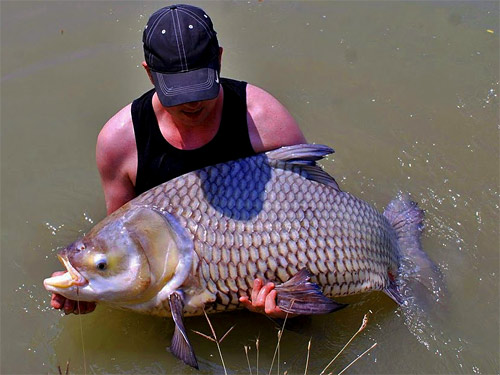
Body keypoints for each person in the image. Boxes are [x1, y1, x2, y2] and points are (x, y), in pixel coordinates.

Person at [50, 4, 305, 319]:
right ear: (149, 73)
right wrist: (96, 289)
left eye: (201, 85)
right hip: (176, 291)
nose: (192, 101)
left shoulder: (264, 120)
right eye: (178, 91)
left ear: (220, 60)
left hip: (267, 272)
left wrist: (289, 305)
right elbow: (123, 246)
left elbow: (314, 205)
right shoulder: (120, 142)